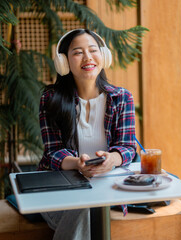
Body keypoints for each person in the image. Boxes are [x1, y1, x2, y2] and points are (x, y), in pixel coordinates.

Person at [38, 29, 137, 240]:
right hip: (59, 188)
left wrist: (111, 159)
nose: (88, 57)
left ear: (104, 56)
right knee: (83, 204)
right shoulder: (50, 98)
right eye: (77, 52)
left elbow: (128, 148)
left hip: (108, 188)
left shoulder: (122, 98)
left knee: (88, 203)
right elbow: (53, 153)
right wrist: (78, 164)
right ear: (63, 62)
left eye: (93, 50)